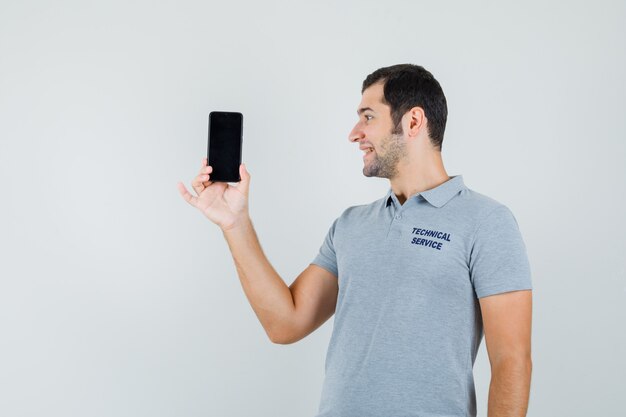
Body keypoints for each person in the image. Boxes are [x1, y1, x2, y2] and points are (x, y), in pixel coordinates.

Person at [177, 64, 533, 417]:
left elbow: (511, 361)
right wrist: (235, 224)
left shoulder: (487, 221)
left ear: (413, 122)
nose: (353, 133)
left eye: (368, 117)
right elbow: (285, 324)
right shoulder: (350, 225)